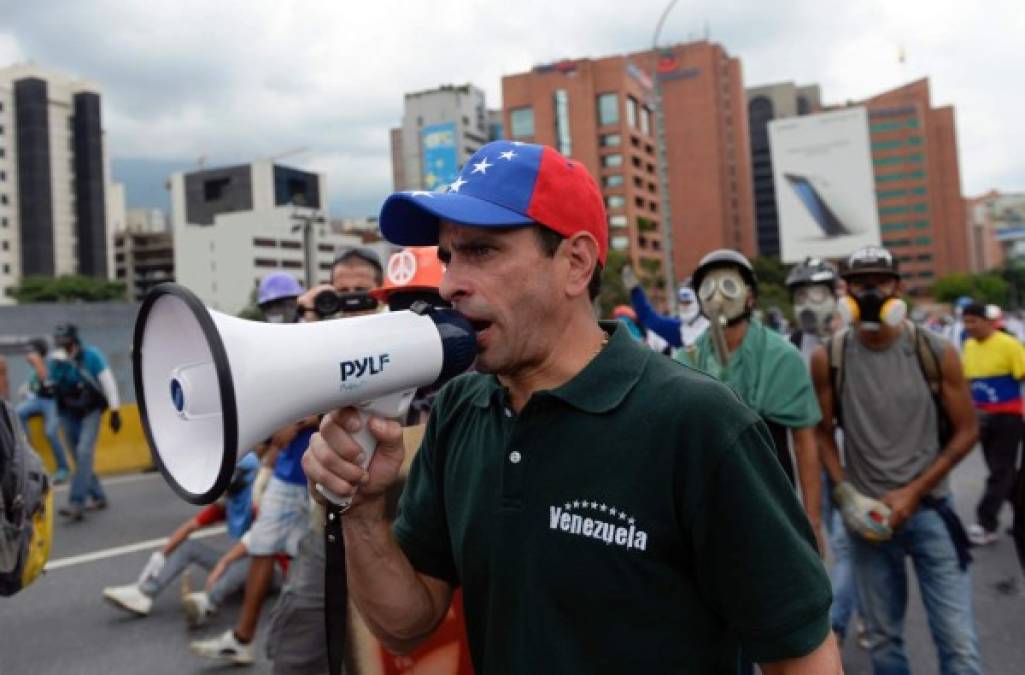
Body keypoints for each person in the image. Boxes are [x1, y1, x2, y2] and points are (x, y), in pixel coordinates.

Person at [303, 140, 841, 673]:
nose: (449, 285)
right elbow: (408, 623)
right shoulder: (460, 411)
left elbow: (802, 656)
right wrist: (363, 513)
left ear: (575, 264)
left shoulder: (697, 422)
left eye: (481, 252)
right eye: (448, 256)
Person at [811, 246, 982, 674]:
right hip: (869, 521)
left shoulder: (937, 351)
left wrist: (913, 492)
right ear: (844, 292)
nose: (870, 292)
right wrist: (846, 493)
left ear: (898, 288)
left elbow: (967, 432)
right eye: (859, 284)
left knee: (958, 645)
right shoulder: (829, 358)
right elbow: (822, 433)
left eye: (880, 282)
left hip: (932, 513)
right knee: (885, 643)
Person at [681, 250, 823, 536]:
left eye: (729, 285)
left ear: (750, 296)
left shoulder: (781, 357)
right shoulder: (686, 359)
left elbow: (805, 441)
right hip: (708, 511)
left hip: (771, 504)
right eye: (708, 287)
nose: (717, 297)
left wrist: (812, 519)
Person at [785, 258, 860, 644]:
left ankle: (839, 624)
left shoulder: (856, 338)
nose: (808, 302)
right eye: (800, 295)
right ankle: (856, 611)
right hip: (814, 463)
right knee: (829, 542)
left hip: (855, 460)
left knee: (848, 545)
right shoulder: (794, 344)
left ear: (836, 295)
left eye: (817, 293)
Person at [102, 453, 270, 623]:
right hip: (240, 567)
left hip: (269, 571)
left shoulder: (263, 503)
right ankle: (144, 593)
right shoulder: (230, 503)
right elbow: (190, 526)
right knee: (188, 547)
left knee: (252, 559)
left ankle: (209, 602)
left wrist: (223, 562)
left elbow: (258, 539)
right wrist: (161, 555)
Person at [960, 301, 1025, 546]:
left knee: (1000, 471)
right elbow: (968, 382)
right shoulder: (968, 346)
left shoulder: (1009, 344)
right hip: (982, 418)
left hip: (1009, 417)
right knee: (1003, 473)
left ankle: (986, 523)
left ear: (988, 322)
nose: (968, 327)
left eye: (973, 321)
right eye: (965, 322)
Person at [49, 324, 121, 522]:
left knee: (83, 453)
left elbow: (108, 382)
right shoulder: (56, 360)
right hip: (68, 412)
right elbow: (51, 386)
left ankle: (76, 503)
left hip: (91, 410)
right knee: (79, 457)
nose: (61, 343)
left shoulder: (91, 355)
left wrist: (115, 410)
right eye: (58, 339)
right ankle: (98, 496)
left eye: (64, 338)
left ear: (73, 339)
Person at [16, 339, 72, 484]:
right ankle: (29, 456)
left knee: (51, 432)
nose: (29, 355)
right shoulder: (33, 367)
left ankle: (63, 468)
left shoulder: (50, 361)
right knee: (18, 413)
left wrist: (38, 362)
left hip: (51, 401)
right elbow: (31, 386)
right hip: (37, 400)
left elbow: (46, 380)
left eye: (32, 351)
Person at [621, 271, 710, 352]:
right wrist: (635, 291)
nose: (685, 306)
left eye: (688, 302)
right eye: (682, 302)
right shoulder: (678, 329)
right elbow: (650, 319)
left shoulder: (712, 328)